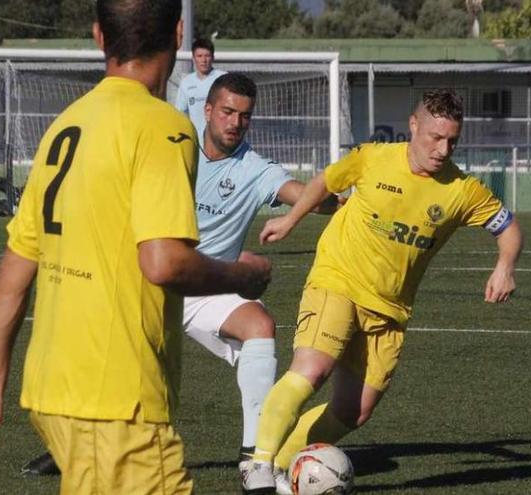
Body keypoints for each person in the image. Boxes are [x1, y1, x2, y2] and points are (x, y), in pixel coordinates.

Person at [0, 2, 271, 494]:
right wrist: (242, 277)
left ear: (99, 36)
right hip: (118, 398)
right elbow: (162, 261)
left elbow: (17, 263)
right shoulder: (162, 126)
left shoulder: (65, 126)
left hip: (52, 391)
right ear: (179, 34)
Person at [21, 72, 341, 484]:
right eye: (227, 112)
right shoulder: (174, 145)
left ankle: (253, 459)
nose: (235, 123)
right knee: (111, 370)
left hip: (209, 285)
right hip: (153, 278)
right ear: (207, 110)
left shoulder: (256, 169)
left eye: (244, 116)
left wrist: (343, 194)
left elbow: (308, 196)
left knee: (259, 326)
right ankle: (66, 449)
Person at [242, 89, 524, 494]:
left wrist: (504, 266)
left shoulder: (462, 190)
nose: (442, 149)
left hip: (390, 309)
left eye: (452, 141)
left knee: (354, 410)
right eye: (434, 137)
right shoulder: (374, 157)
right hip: (337, 280)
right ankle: (260, 467)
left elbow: (509, 228)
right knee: (312, 369)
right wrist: (290, 220)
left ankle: (285, 467)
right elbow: (326, 181)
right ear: (414, 126)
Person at [175, 37, 226, 135]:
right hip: (196, 139)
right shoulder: (186, 82)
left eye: (207, 56)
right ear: (193, 58)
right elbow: (180, 112)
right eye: (199, 56)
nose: (204, 60)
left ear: (213, 57)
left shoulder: (223, 78)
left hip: (219, 139)